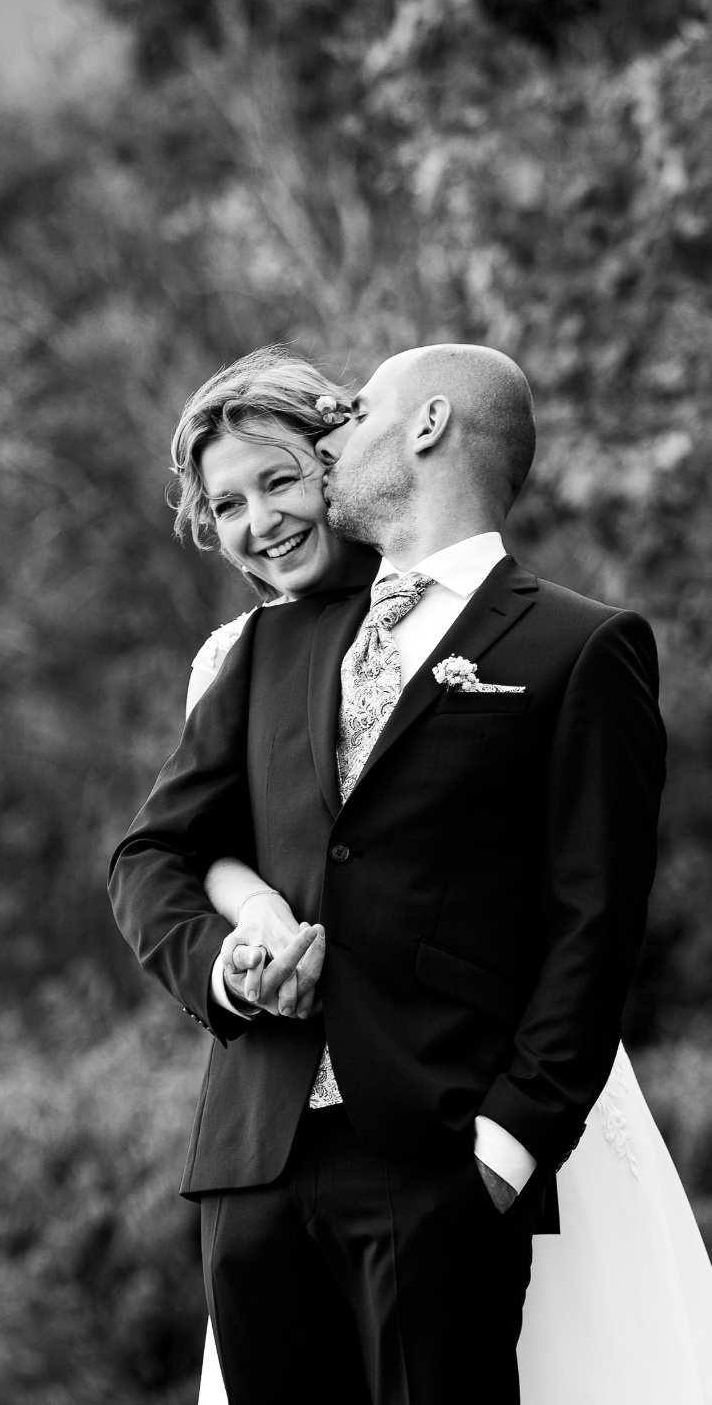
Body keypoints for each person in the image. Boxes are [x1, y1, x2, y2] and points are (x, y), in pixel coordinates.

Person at [109, 344, 681, 1404]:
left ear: (422, 426)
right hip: (258, 1156)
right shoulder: (265, 647)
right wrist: (232, 959)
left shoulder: (575, 645)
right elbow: (159, 849)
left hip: (439, 1157)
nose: (331, 449)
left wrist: (505, 1150)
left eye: (339, 430)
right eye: (228, 502)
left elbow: (593, 924)